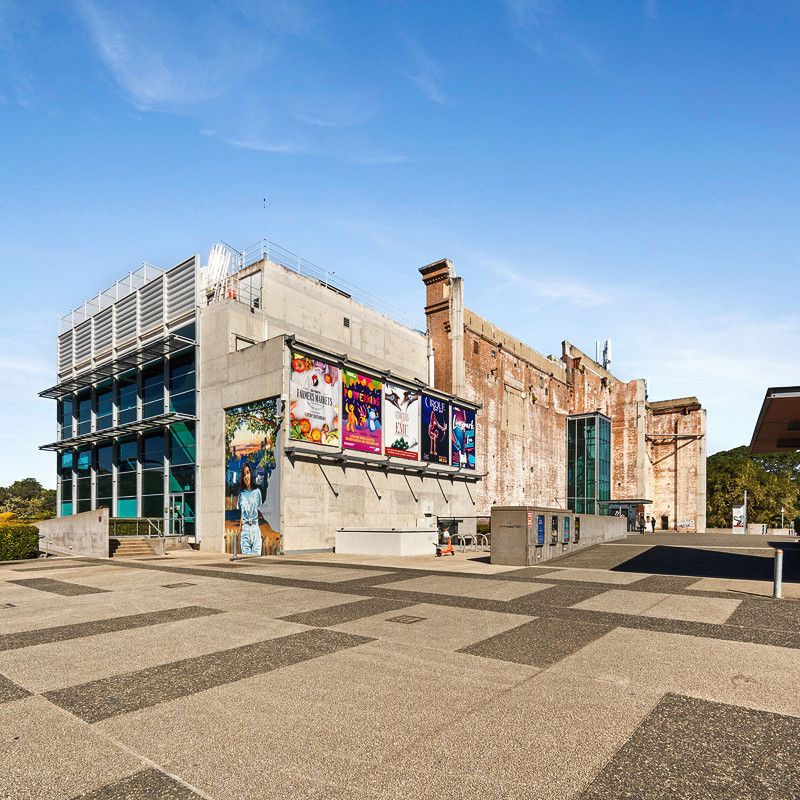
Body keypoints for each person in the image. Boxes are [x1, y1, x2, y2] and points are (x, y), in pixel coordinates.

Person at [237, 462, 263, 556]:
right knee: (245, 559)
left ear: (251, 474)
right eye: (244, 475)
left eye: (248, 473)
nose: (246, 476)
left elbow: (260, 511)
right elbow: (241, 514)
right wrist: (240, 531)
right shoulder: (241, 494)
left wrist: (261, 530)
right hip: (245, 529)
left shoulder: (257, 492)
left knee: (257, 559)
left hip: (255, 528)